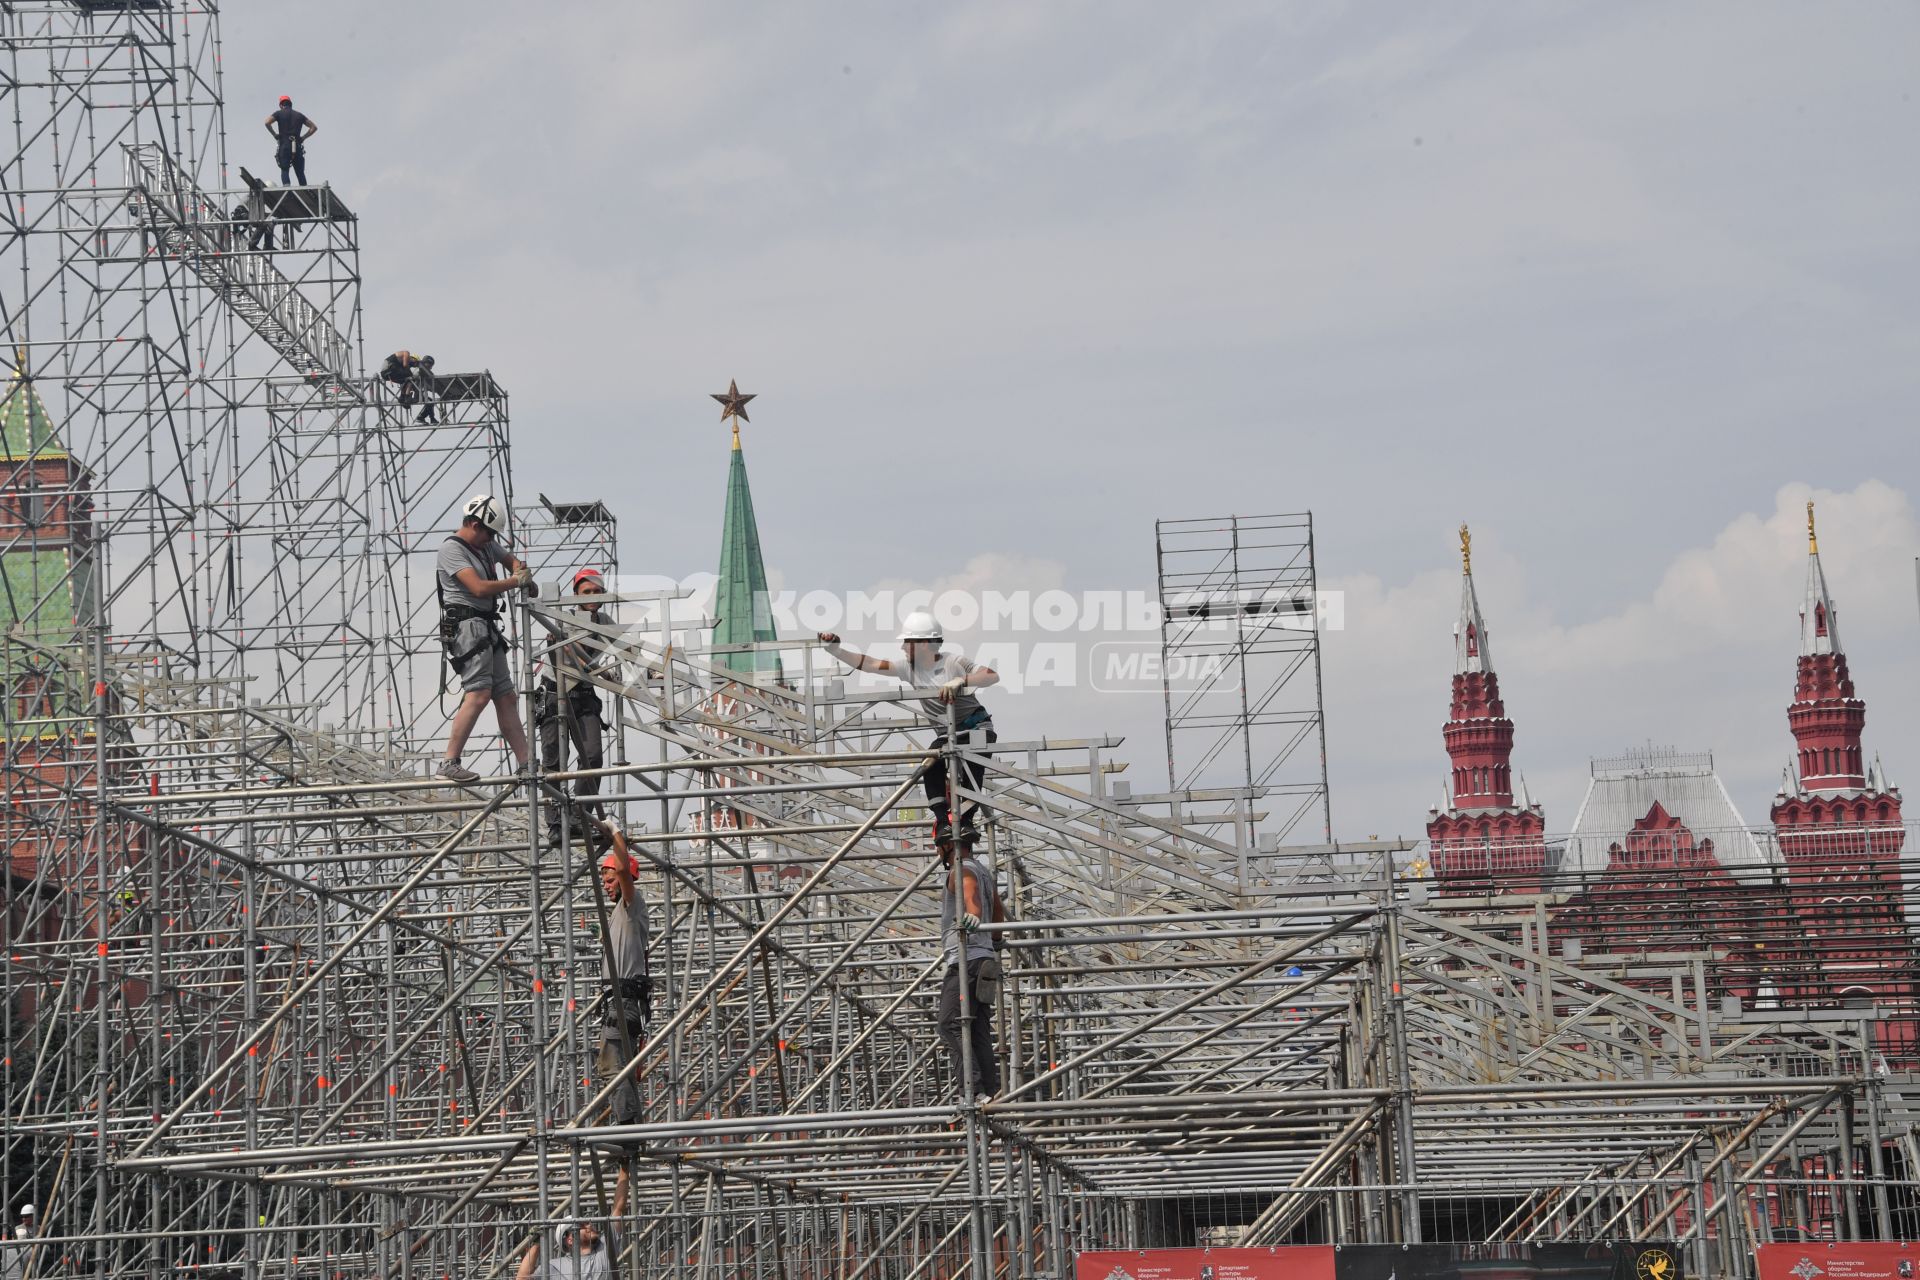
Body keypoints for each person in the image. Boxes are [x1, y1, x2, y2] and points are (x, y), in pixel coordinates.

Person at [817, 612, 999, 849]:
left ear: (923, 644)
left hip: (976, 727)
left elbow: (991, 676)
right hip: (949, 735)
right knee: (930, 765)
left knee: (970, 770)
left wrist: (961, 681)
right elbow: (871, 664)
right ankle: (944, 822)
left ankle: (966, 822)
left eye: (907, 642)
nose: (902, 647)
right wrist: (836, 650)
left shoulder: (953, 662)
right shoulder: (908, 668)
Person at [436, 494, 535, 783]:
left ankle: (527, 763)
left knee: (505, 696)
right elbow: (478, 588)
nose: (491, 539)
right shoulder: (451, 549)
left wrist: (522, 572)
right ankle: (449, 762)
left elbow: (512, 560)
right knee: (478, 693)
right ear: (473, 523)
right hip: (468, 626)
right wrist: (517, 581)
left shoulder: (486, 543)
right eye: (488, 532)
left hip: (486, 626)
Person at [536, 569, 612, 846]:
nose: (592, 597)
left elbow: (628, 649)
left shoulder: (604, 621)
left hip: (583, 695)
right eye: (586, 592)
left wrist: (651, 672)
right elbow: (565, 651)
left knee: (593, 757)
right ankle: (556, 824)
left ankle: (578, 817)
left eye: (596, 591)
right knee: (554, 763)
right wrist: (599, 668)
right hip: (555, 693)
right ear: (577, 596)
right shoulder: (563, 618)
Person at [936, 836, 1005, 1101]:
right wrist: (994, 942)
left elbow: (970, 892)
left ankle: (972, 1090)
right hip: (985, 959)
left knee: (949, 1024)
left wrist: (973, 914)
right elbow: (997, 910)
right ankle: (988, 1089)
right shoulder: (984, 871)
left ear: (948, 845)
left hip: (967, 960)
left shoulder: (961, 868)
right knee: (977, 1029)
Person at [594, 822, 651, 1131]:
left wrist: (615, 833)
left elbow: (625, 872)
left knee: (613, 1066)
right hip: (619, 1000)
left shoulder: (632, 904)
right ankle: (627, 1125)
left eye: (609, 875)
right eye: (603, 876)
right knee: (612, 1066)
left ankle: (627, 1127)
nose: (605, 882)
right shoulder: (618, 913)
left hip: (625, 1000)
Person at [512, 1173, 626, 1280]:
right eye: (582, 1225)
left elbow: (618, 1209)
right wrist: (536, 1245)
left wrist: (624, 1167)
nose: (590, 1225)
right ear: (570, 1239)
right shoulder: (556, 1267)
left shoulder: (604, 1250)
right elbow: (522, 1278)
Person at [264, 94, 317, 185]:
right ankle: (304, 191)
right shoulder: (299, 115)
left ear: (281, 105)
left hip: (284, 145)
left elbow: (267, 122)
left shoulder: (279, 113)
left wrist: (275, 135)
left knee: (285, 170)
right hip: (297, 146)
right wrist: (303, 137)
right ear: (290, 104)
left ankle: (287, 191)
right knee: (300, 173)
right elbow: (313, 127)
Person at [379, 350, 438, 424]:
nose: (414, 365)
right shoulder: (409, 359)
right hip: (390, 369)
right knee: (409, 378)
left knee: (430, 402)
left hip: (415, 389)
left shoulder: (420, 372)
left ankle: (424, 417)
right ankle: (405, 397)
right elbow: (406, 367)